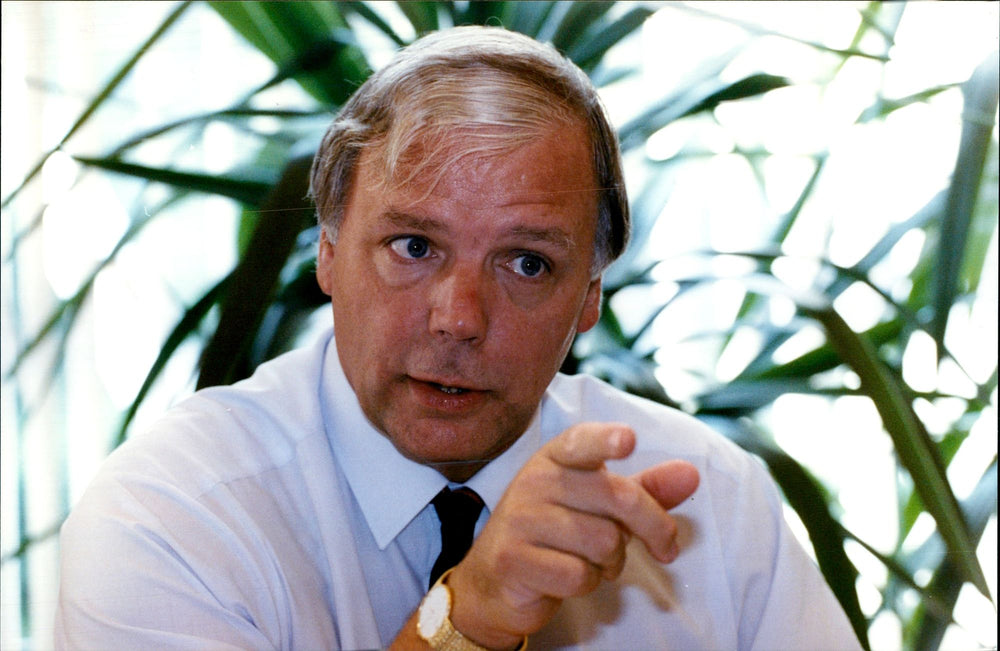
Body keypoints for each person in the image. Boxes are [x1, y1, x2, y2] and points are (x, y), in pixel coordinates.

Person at [55, 26, 861, 650]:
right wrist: (467, 615)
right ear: (328, 249)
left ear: (589, 297)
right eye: (413, 246)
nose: (459, 317)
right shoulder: (171, 516)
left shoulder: (709, 505)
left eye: (527, 262)